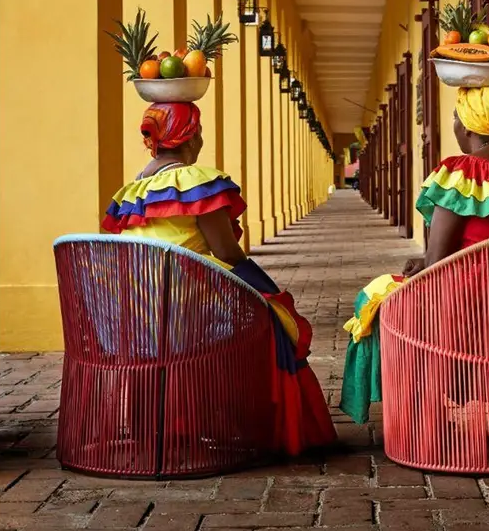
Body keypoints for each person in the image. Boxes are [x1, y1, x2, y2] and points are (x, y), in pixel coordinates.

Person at [101, 100, 337, 455]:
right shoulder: (194, 182)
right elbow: (227, 252)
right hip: (188, 315)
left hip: (136, 318)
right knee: (275, 319)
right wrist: (265, 289)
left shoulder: (133, 192)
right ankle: (250, 423)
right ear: (192, 136)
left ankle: (166, 424)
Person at [339, 80, 489, 424]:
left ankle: (423, 418)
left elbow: (436, 265)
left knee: (374, 298)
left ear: (468, 125)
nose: (453, 124)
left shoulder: (465, 173)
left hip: (470, 320)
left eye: (455, 116)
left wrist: (424, 262)